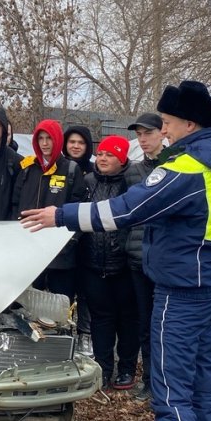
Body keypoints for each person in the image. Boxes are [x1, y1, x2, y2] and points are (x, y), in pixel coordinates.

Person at [21, 81, 211, 421]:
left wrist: (61, 216)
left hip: (179, 293)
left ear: (190, 123)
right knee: (202, 384)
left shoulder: (186, 171)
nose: (163, 131)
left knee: (171, 392)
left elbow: (124, 210)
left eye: (166, 123)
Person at [76, 135, 140, 389]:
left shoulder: (132, 182)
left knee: (127, 320)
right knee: (101, 319)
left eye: (109, 155)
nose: (102, 158)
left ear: (121, 158)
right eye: (100, 153)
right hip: (93, 263)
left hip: (123, 264)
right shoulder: (88, 181)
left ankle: (126, 368)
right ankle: (103, 369)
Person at [11, 119, 87, 300]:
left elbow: (79, 209)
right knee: (27, 309)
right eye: (41, 139)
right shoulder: (27, 168)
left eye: (49, 138)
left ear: (58, 140)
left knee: (59, 311)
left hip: (60, 257)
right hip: (29, 256)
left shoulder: (70, 169)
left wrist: (70, 242)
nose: (44, 143)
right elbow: (15, 204)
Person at [126, 112, 166, 400]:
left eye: (148, 133)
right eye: (139, 134)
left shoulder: (177, 168)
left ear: (163, 133)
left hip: (166, 261)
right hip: (138, 258)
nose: (143, 139)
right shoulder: (133, 172)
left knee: (166, 325)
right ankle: (150, 380)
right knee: (145, 323)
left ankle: (167, 381)